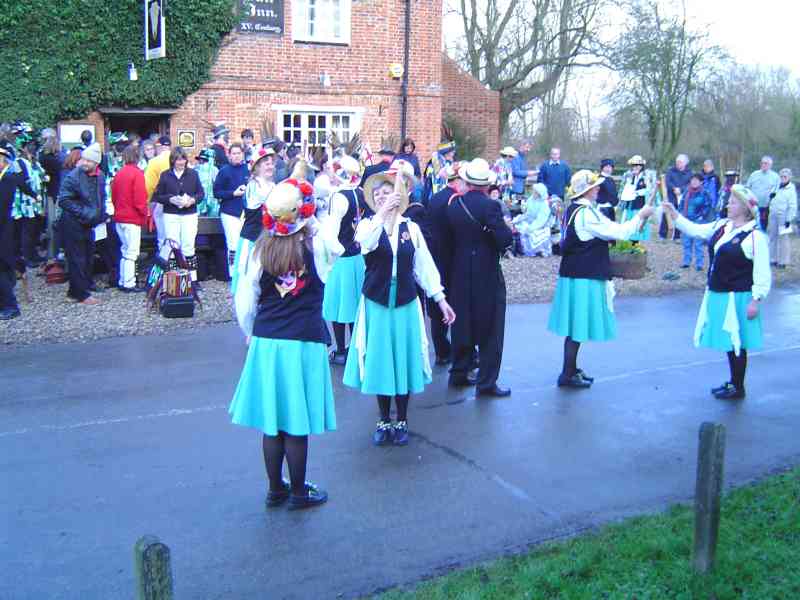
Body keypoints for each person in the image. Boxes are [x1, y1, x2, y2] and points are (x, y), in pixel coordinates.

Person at [230, 179, 342, 510]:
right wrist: (313, 221)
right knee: (296, 421)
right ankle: (298, 492)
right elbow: (336, 248)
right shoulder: (316, 248)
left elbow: (245, 301)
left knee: (273, 421)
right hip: (303, 340)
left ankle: (275, 489)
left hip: (268, 341)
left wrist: (251, 331)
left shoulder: (259, 250)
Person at [343, 168, 455, 446]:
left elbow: (423, 267)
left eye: (388, 192)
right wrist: (382, 214)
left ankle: (402, 418)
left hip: (405, 302)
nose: (383, 197)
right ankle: (383, 418)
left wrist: (440, 299)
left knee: (402, 361)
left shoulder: (411, 229)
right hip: (377, 302)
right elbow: (364, 244)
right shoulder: (368, 225)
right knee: (381, 361)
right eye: (378, 194)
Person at [548, 170, 655, 388]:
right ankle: (567, 374)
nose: (598, 189)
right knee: (578, 327)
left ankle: (571, 370)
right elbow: (618, 232)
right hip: (583, 276)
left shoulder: (575, 210)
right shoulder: (587, 214)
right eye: (594, 186)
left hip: (575, 274)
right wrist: (640, 216)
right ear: (586, 191)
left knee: (576, 327)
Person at [662, 186, 770, 399]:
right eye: (729, 201)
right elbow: (696, 230)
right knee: (730, 340)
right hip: (721, 292)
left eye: (733, 202)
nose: (728, 204)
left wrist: (756, 300)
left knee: (738, 342)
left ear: (745, 209)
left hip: (739, 296)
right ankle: (734, 382)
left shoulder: (755, 237)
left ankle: (738, 387)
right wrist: (674, 214)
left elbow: (762, 271)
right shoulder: (722, 226)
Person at [440, 158, 514, 397]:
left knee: (462, 323)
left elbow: (449, 241)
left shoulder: (454, 205)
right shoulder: (490, 206)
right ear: (486, 184)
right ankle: (486, 382)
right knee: (491, 328)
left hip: (459, 270)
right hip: (486, 271)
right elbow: (505, 240)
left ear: (468, 181)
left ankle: (459, 372)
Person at [322, 155, 369, 364]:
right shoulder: (361, 193)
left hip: (342, 258)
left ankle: (341, 350)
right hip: (358, 256)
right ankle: (355, 347)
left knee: (338, 307)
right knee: (353, 305)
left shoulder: (339, 197)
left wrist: (336, 253)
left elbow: (329, 234)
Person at [422, 162, 464, 364]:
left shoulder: (436, 198)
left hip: (434, 255)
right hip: (451, 258)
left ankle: (441, 351)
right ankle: (456, 351)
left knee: (436, 306)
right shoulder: (455, 200)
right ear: (457, 180)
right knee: (452, 305)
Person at [57, 143, 107, 305]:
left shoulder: (100, 176)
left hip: (89, 222)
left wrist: (101, 215)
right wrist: (84, 213)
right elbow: (64, 200)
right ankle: (82, 294)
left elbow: (101, 197)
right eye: (84, 159)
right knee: (77, 258)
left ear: (96, 163)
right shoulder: (73, 176)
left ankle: (75, 291)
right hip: (73, 222)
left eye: (88, 160)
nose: (84, 162)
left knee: (87, 255)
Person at [153, 147, 204, 284]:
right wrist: (170, 199)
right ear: (172, 161)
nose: (181, 162)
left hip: (189, 214)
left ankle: (192, 279)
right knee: (173, 245)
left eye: (183, 159)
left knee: (188, 245)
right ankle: (174, 280)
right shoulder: (165, 175)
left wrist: (192, 200)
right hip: (171, 214)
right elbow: (158, 196)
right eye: (178, 160)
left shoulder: (193, 174)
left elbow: (201, 194)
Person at [231, 146, 276, 294]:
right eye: (267, 164)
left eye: (272, 163)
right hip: (252, 238)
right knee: (248, 277)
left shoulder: (273, 185)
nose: (270, 166)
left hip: (268, 238)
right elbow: (266, 203)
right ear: (257, 167)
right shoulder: (253, 186)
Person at [0, 144, 34, 320]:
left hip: (5, 228)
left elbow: (3, 208)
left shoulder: (8, 178)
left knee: (3, 268)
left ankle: (10, 306)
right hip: (6, 227)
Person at [111, 145, 148, 292]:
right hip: (132, 218)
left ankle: (123, 280)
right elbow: (140, 199)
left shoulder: (119, 173)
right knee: (132, 253)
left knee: (125, 250)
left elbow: (113, 196)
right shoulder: (137, 174)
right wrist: (144, 214)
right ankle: (129, 283)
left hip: (120, 217)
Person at [213, 143, 250, 278]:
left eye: (239, 153)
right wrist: (233, 193)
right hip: (229, 212)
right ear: (229, 155)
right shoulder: (224, 171)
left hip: (246, 213)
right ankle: (233, 274)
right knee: (233, 244)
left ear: (243, 154)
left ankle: (244, 273)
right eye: (234, 153)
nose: (236, 156)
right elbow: (216, 192)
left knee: (245, 244)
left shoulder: (248, 170)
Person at [12, 135, 46, 268]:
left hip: (36, 201)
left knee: (34, 229)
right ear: (23, 148)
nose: (32, 148)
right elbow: (21, 182)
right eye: (29, 145)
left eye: (33, 145)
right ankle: (27, 257)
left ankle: (33, 254)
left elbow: (42, 176)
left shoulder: (34, 162)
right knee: (27, 231)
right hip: (26, 203)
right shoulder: (18, 163)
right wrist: (33, 195)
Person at [678, 173, 714, 270]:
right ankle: (686, 262)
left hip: (698, 220)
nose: (694, 182)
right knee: (686, 242)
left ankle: (699, 264)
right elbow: (681, 203)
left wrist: (701, 216)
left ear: (701, 182)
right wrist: (680, 214)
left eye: (696, 180)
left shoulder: (704, 193)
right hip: (686, 219)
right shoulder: (687, 192)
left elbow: (708, 206)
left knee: (698, 243)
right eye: (692, 180)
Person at [144, 135, 172, 250]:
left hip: (161, 201)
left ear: (160, 147)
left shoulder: (154, 162)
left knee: (163, 236)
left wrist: (147, 204)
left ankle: (164, 257)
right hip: (180, 202)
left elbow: (149, 186)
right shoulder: (179, 159)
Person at [618, 155, 652, 243]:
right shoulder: (628, 176)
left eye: (638, 165)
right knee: (628, 223)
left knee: (638, 223)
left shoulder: (646, 176)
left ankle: (636, 243)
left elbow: (649, 190)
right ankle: (628, 241)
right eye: (634, 165)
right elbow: (622, 188)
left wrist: (638, 192)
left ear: (642, 166)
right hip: (629, 204)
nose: (636, 167)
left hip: (640, 205)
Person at [767, 168, 797, 269]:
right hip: (773, 214)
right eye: (781, 176)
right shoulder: (776, 186)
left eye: (785, 176)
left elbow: (793, 206)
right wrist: (770, 197)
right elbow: (770, 198)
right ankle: (772, 259)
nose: (783, 178)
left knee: (783, 239)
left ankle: (783, 261)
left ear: (789, 177)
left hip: (783, 216)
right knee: (772, 237)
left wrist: (789, 219)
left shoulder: (791, 189)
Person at [513, 183, 552, 257]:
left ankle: (538, 250)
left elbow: (541, 220)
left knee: (532, 232)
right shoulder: (531, 199)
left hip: (541, 225)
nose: (533, 193)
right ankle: (523, 250)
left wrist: (531, 227)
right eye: (533, 191)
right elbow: (527, 213)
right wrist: (523, 209)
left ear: (539, 193)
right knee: (518, 227)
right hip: (529, 220)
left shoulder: (544, 204)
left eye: (535, 192)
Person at [746, 156, 780, 231]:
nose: (763, 165)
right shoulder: (754, 174)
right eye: (762, 163)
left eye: (766, 163)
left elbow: (776, 192)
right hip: (753, 205)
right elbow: (747, 188)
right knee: (750, 225)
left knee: (762, 226)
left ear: (770, 165)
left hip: (765, 207)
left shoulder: (775, 177)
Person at [664, 154, 691, 239]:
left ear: (685, 163)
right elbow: (667, 181)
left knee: (680, 216)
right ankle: (664, 234)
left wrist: (681, 189)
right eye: (677, 162)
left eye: (680, 162)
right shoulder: (670, 171)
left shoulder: (690, 173)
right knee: (668, 214)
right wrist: (674, 188)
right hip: (671, 196)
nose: (678, 164)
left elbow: (690, 184)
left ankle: (677, 235)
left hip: (683, 198)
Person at [194, 148, 220, 217]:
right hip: (200, 201)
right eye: (200, 160)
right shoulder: (196, 169)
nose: (201, 161)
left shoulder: (214, 170)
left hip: (210, 202)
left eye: (203, 160)